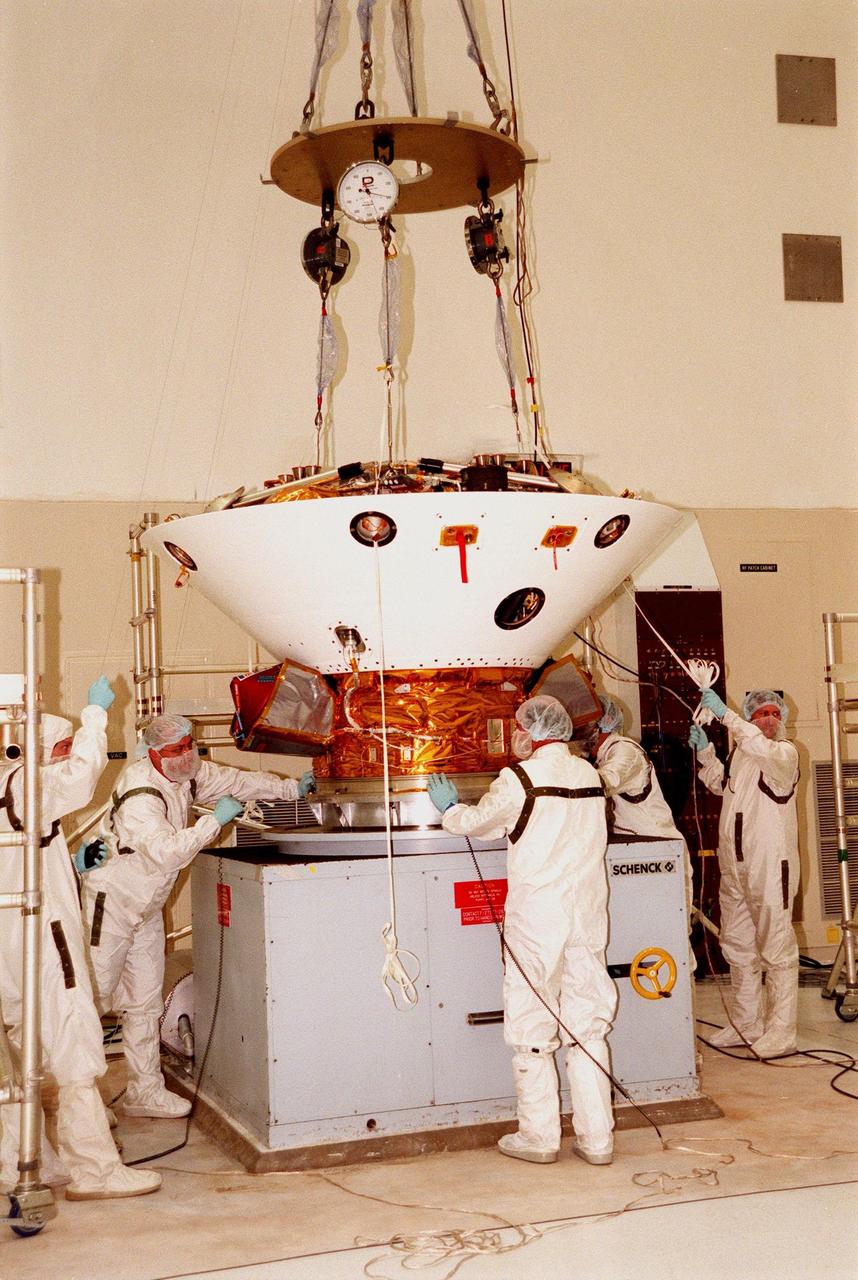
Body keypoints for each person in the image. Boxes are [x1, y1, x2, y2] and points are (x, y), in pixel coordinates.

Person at [81, 714, 315, 1118]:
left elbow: (237, 781)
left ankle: (144, 1091)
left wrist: (291, 789)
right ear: (153, 754)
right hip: (113, 904)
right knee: (92, 1000)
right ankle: (80, 1102)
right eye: (175, 750)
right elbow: (169, 851)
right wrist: (213, 822)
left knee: (145, 1003)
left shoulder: (186, 773)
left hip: (147, 907)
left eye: (189, 745)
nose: (186, 754)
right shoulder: (141, 796)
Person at [428, 695, 617, 1166]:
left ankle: (539, 1136)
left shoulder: (519, 779)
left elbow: (479, 824)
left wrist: (450, 809)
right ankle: (597, 1140)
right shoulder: (589, 774)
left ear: (531, 732)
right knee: (587, 1023)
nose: (513, 733)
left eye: (516, 726)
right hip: (587, 913)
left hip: (538, 919)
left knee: (532, 1025)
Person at [0, 679, 162, 1200]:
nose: (64, 759)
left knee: (24, 1059)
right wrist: (95, 714)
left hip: (12, 943)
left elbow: (15, 860)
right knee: (76, 1049)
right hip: (45, 943)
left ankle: (26, 1163)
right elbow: (82, 776)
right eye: (60, 751)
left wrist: (66, 865)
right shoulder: (26, 782)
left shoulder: (8, 786)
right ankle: (95, 1170)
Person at [689, 687, 800, 1057]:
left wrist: (727, 716)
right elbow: (726, 787)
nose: (768, 719)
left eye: (773, 713)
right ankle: (746, 1023)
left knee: (777, 947)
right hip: (735, 866)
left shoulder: (784, 754)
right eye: (760, 714)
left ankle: (781, 1032)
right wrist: (706, 751)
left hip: (770, 867)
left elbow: (759, 748)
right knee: (738, 946)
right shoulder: (744, 755)